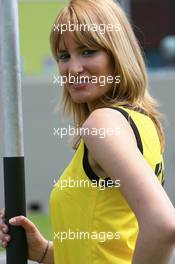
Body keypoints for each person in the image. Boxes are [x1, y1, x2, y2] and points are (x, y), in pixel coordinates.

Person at [0, 0, 175, 263]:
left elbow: (163, 225)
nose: (73, 69)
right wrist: (45, 251)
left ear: (117, 53)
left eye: (88, 51)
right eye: (63, 56)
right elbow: (114, 245)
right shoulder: (143, 123)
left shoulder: (102, 124)